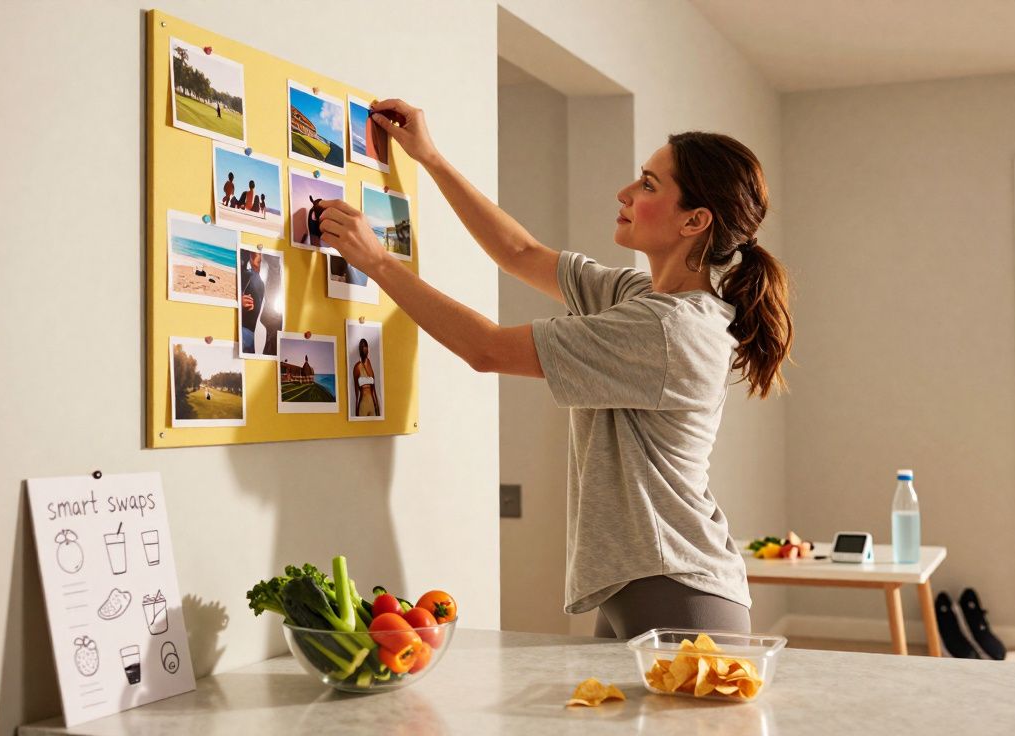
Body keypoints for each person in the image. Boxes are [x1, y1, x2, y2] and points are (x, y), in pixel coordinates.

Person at [317, 99, 792, 640]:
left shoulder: (667, 328)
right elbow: (520, 252)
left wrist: (378, 262)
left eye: (648, 185)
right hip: (640, 578)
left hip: (673, 582)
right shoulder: (641, 297)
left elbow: (487, 349)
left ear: (695, 220)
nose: (625, 193)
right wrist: (430, 158)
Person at [353, 338, 380, 417]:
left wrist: (377, 407)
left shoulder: (370, 365)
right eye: (362, 347)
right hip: (362, 405)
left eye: (365, 346)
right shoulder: (357, 367)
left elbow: (373, 389)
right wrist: (356, 410)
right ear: (359, 350)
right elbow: (356, 393)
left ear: (368, 348)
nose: (364, 348)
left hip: (372, 405)